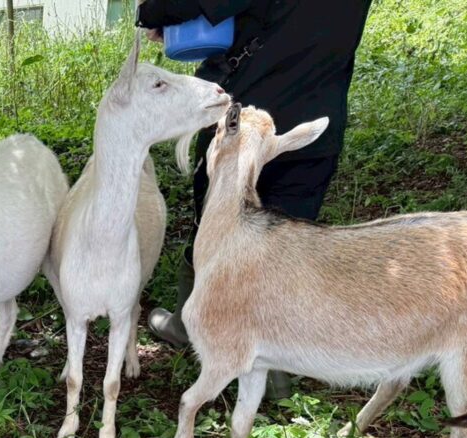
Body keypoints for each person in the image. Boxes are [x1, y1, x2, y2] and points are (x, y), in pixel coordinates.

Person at [137, 0, 373, 398]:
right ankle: (275, 370)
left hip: (247, 119)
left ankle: (191, 326)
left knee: (217, 234)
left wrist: (154, 12)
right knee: (287, 249)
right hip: (315, 121)